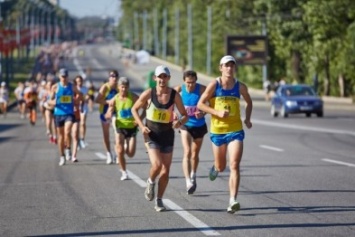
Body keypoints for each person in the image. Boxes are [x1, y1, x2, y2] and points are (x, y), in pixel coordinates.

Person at [197, 55, 253, 214]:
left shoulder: (240, 87)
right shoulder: (214, 85)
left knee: (234, 165)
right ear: (220, 68)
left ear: (234, 68)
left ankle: (232, 200)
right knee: (221, 166)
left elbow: (249, 101)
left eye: (232, 65)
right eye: (226, 65)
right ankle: (216, 166)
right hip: (218, 131)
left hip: (235, 130)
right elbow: (200, 104)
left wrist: (247, 119)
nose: (229, 68)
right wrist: (216, 112)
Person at [131, 65, 188, 212]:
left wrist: (179, 122)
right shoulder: (149, 94)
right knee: (157, 165)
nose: (162, 80)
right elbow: (134, 109)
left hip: (167, 135)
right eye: (159, 77)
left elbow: (185, 114)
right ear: (155, 78)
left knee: (165, 171)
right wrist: (141, 126)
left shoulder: (175, 95)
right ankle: (150, 182)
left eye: (165, 77)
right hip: (152, 134)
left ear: (168, 78)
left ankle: (159, 200)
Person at [174, 70, 207, 195]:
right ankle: (188, 182)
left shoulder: (202, 89)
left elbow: (211, 103)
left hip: (199, 125)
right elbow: (169, 101)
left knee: (195, 154)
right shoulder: (179, 89)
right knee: (187, 151)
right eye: (188, 83)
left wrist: (203, 112)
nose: (190, 85)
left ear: (196, 81)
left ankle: (193, 174)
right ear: (184, 81)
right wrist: (173, 114)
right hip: (185, 125)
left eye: (193, 82)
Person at [105, 77, 145, 180]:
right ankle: (124, 172)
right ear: (118, 87)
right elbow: (110, 109)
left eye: (126, 87)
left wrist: (139, 119)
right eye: (122, 87)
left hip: (132, 127)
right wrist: (109, 113)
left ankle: (126, 145)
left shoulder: (134, 97)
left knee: (131, 153)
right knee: (120, 150)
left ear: (128, 87)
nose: (124, 89)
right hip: (120, 126)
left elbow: (145, 108)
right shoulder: (115, 98)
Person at [48, 68, 83, 166]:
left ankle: (68, 149)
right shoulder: (55, 87)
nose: (64, 78)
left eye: (65, 76)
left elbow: (80, 95)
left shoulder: (72, 86)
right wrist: (53, 102)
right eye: (62, 76)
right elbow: (49, 100)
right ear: (59, 77)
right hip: (58, 114)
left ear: (67, 77)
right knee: (61, 137)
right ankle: (62, 156)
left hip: (69, 113)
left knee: (67, 132)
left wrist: (77, 101)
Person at [95, 70, 119, 164]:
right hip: (104, 113)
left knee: (117, 134)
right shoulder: (105, 87)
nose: (114, 78)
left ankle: (117, 154)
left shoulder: (119, 87)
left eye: (115, 76)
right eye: (112, 76)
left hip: (115, 113)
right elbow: (97, 100)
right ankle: (109, 153)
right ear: (109, 77)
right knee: (106, 135)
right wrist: (108, 102)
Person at [75, 75, 89, 149]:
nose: (79, 83)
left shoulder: (85, 89)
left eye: (80, 81)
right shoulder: (74, 89)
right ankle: (77, 141)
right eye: (77, 81)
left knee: (83, 123)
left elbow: (87, 97)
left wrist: (86, 98)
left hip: (84, 108)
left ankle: (82, 139)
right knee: (76, 126)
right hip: (76, 109)